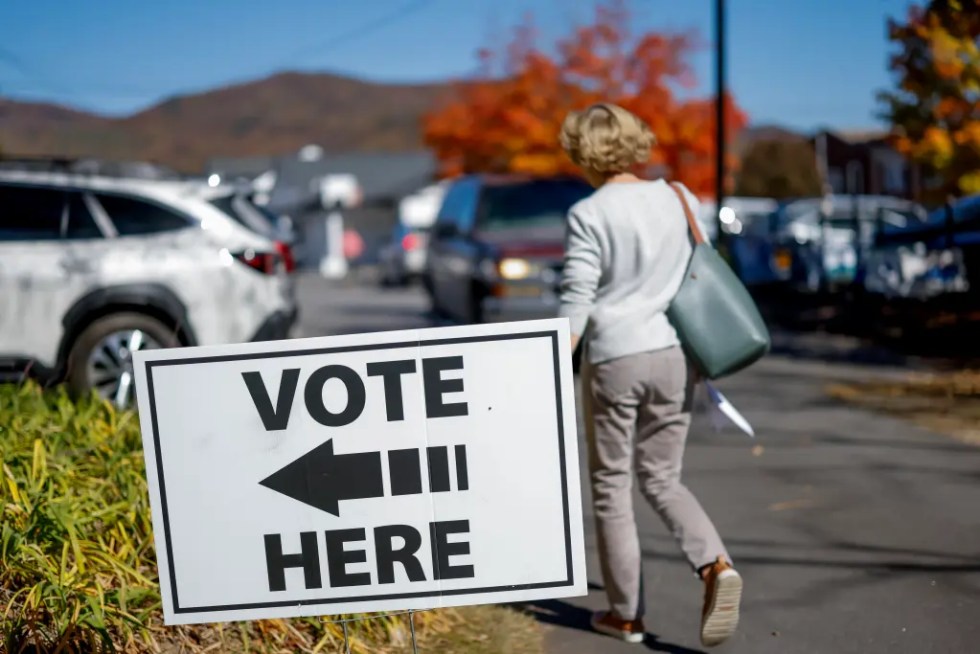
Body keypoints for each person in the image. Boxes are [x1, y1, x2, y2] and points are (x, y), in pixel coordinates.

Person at [558, 103, 742, 647]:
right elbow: (697, 270)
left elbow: (577, 300)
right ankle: (714, 566)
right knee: (663, 477)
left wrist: (551, 361)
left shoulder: (589, 214)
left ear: (583, 152)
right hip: (672, 354)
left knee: (611, 486)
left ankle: (627, 615)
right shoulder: (679, 197)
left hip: (615, 358)